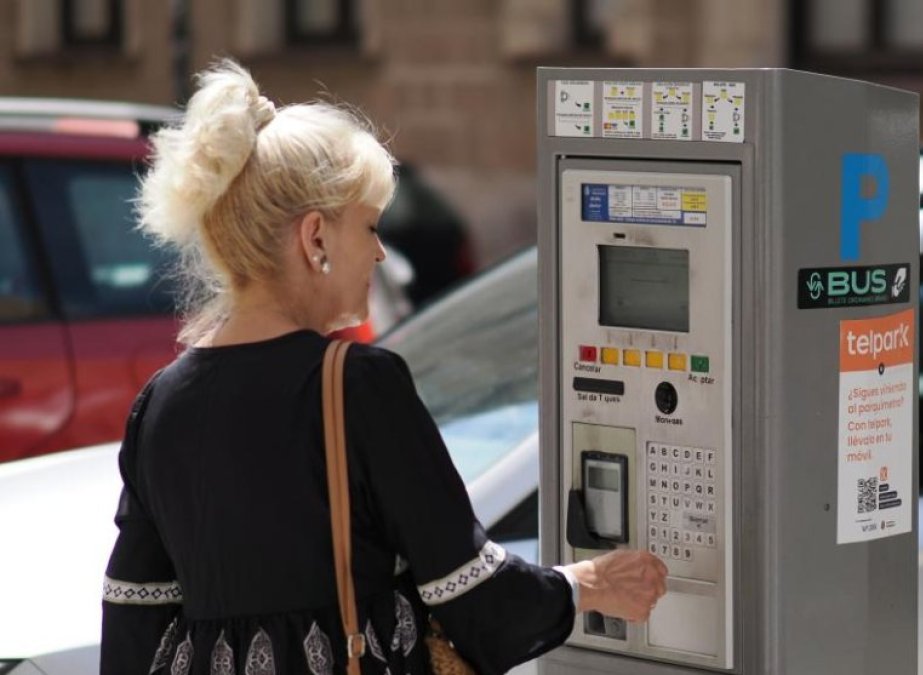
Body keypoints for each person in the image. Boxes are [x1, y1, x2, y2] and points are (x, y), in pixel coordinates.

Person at [101, 59, 668, 675]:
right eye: (369, 226)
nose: (378, 251)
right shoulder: (356, 385)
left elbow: (132, 619)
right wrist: (588, 583)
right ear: (314, 237)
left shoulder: (160, 401)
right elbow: (474, 597)